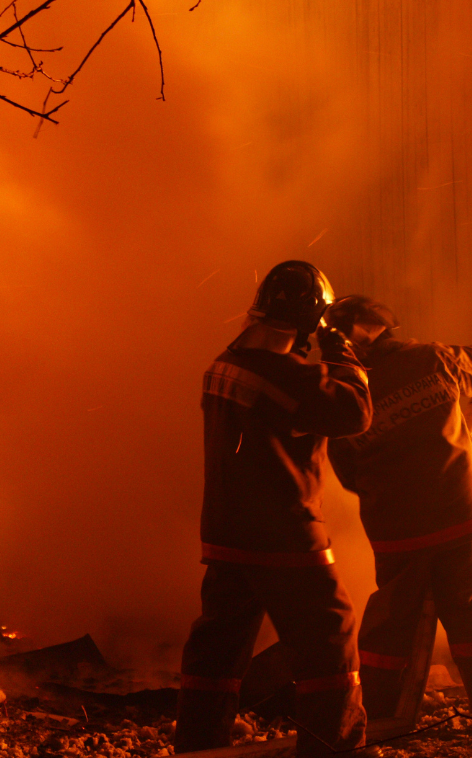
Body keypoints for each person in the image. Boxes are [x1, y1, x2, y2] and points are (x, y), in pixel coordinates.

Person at [175, 261, 372, 756]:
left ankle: (199, 747)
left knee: (218, 648)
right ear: (309, 323)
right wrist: (341, 352)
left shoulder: (224, 363)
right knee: (331, 637)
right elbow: (354, 412)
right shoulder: (287, 377)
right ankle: (334, 748)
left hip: (228, 532)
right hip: (284, 535)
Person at [324, 295, 472, 726]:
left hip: (397, 529)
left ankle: (377, 716)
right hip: (460, 514)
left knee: (390, 624)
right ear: (383, 327)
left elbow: (348, 474)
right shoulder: (430, 360)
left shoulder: (343, 396)